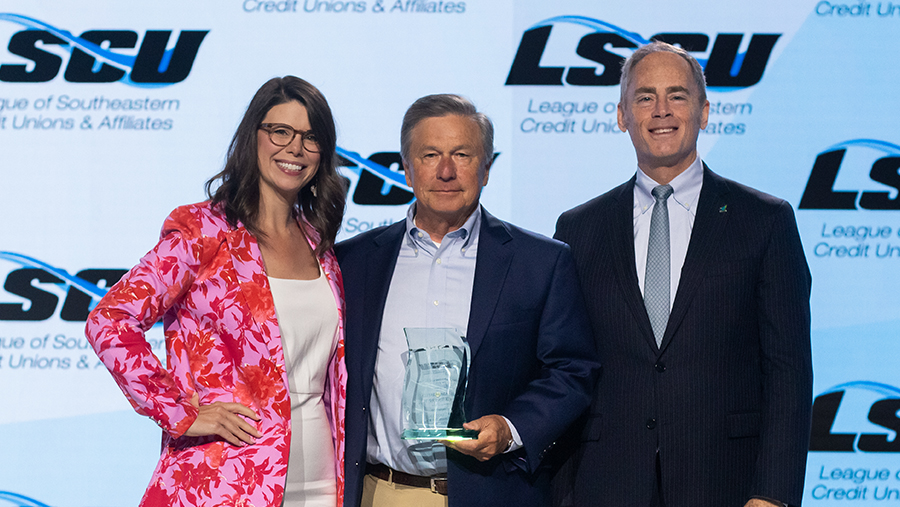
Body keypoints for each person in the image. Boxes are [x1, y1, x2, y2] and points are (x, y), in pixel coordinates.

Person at [553, 41, 813, 507]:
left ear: (704, 111)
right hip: (605, 486)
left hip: (725, 484)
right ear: (621, 115)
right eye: (645, 96)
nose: (661, 111)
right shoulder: (578, 229)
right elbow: (566, 369)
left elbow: (788, 372)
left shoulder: (764, 222)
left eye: (677, 95)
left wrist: (773, 493)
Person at [85, 76, 348, 507]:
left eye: (311, 137)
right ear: (254, 137)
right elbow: (110, 322)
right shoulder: (204, 233)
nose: (295, 148)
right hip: (222, 479)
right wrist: (179, 413)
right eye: (280, 131)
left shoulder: (320, 244)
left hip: (319, 480)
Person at [335, 94, 599, 507]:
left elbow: (573, 370)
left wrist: (511, 427)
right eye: (430, 155)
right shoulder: (354, 261)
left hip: (492, 492)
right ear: (406, 168)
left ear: (487, 168)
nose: (445, 171)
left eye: (461, 154)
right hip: (379, 492)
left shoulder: (541, 262)